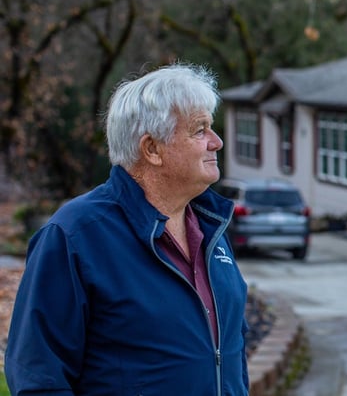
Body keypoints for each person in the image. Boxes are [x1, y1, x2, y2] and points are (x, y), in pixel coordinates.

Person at [4, 64, 249, 396]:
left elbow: (231, 350)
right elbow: (38, 379)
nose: (216, 142)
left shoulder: (211, 228)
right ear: (151, 150)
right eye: (199, 130)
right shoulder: (75, 235)